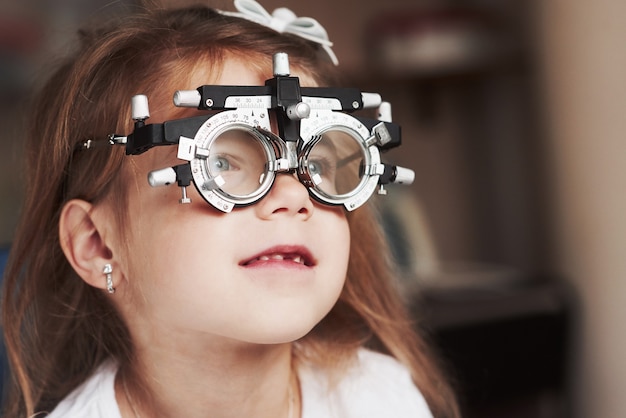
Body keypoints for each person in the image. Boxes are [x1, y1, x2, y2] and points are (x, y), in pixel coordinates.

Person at [1, 1, 459, 417]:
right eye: (220, 161)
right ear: (99, 245)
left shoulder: (380, 399)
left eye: (315, 162)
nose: (294, 196)